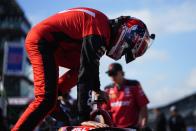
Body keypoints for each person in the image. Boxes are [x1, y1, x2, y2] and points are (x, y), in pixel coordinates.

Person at [12, 7, 155, 131]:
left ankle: (56, 98)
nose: (122, 54)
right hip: (43, 41)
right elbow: (85, 74)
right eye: (126, 51)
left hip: (55, 43)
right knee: (45, 99)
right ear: (127, 36)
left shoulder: (101, 27)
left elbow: (91, 65)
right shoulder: (100, 31)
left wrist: (96, 89)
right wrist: (84, 118)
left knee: (79, 71)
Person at [102, 63, 150, 129]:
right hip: (115, 128)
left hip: (133, 127)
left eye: (114, 73)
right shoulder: (107, 89)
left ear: (121, 72)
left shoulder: (134, 85)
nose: (112, 76)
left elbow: (143, 105)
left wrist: (144, 122)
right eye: (110, 74)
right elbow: (104, 110)